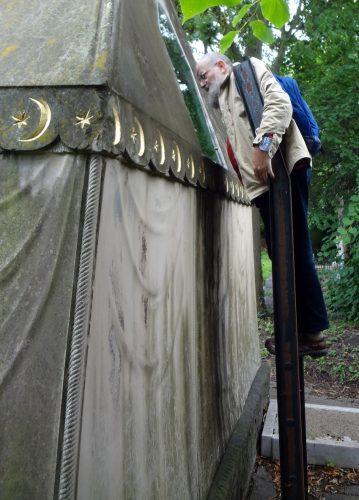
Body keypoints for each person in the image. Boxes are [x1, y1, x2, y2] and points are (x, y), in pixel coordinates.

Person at [196, 52, 329, 356]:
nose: (202, 84)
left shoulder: (247, 71)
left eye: (204, 75)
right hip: (266, 185)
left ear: (221, 66)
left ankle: (311, 332)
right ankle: (299, 330)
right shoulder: (225, 99)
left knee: (293, 247)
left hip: (283, 172)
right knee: (284, 250)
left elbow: (280, 104)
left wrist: (264, 147)